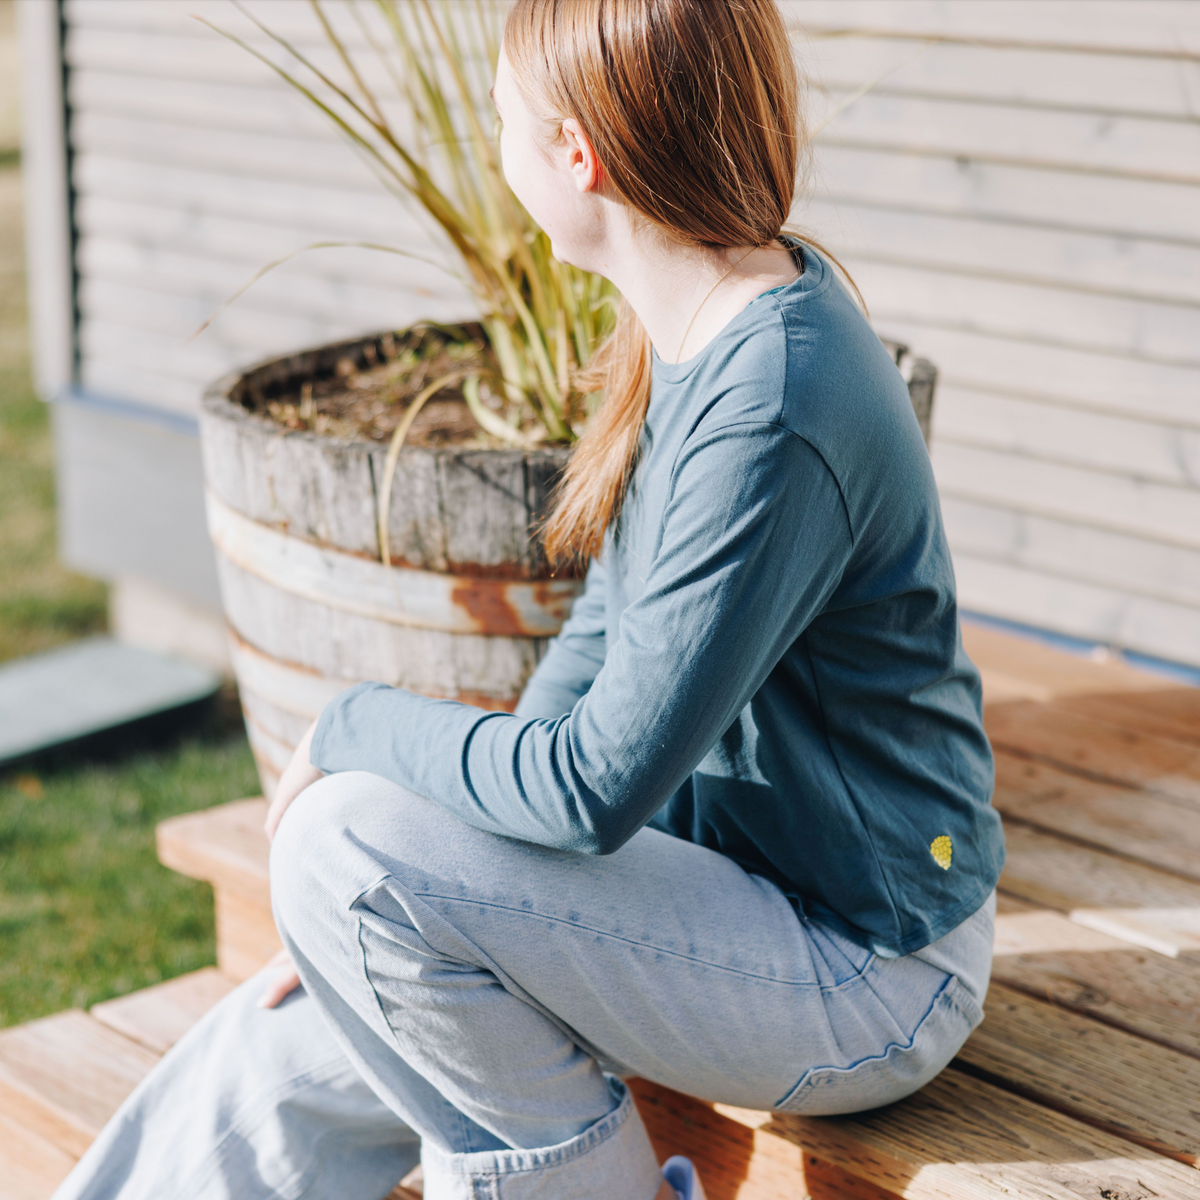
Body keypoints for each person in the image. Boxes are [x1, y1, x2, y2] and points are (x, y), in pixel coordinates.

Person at [53, 1, 1004, 1198]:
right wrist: (374, 896)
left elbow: (590, 789)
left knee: (349, 847)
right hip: (741, 898)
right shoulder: (701, 323)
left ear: (577, 155)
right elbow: (593, 652)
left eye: (505, 118)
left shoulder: (774, 402)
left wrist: (352, 732)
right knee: (315, 988)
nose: (495, 143)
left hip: (868, 967)